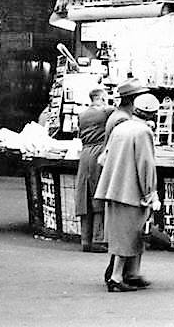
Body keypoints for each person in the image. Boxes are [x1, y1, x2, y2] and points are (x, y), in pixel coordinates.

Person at [95, 92, 160, 292]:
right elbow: (146, 165)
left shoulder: (121, 128)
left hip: (114, 188)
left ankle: (131, 274)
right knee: (131, 235)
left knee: (123, 234)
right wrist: (151, 195)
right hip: (132, 193)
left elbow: (104, 158)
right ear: (153, 114)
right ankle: (117, 276)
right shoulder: (143, 133)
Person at [75, 86, 111, 252]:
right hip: (98, 153)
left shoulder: (81, 115)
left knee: (84, 196)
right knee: (98, 195)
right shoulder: (106, 112)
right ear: (102, 98)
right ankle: (98, 239)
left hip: (85, 154)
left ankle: (85, 240)